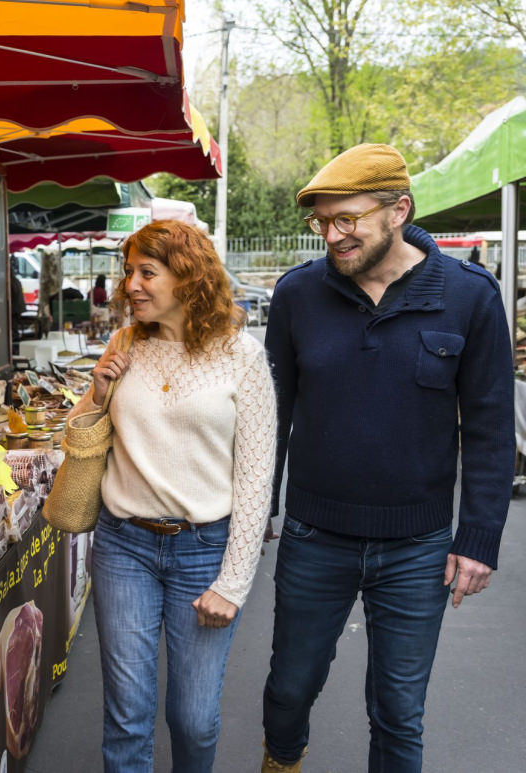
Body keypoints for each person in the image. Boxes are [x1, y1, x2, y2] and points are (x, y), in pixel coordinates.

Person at [260, 144, 514, 773]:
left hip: (417, 545)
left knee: (399, 711)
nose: (333, 235)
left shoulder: (469, 296)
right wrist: (254, 514)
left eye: (348, 218)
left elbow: (489, 427)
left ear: (398, 209)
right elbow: (270, 418)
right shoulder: (297, 295)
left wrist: (478, 538)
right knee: (289, 690)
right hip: (314, 537)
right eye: (323, 221)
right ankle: (282, 758)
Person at [72, 220, 276, 772]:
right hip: (124, 547)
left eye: (146, 272)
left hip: (204, 552)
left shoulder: (242, 357)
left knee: (194, 717)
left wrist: (232, 583)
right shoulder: (123, 344)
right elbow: (79, 438)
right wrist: (97, 389)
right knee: (127, 714)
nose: (130, 285)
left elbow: (256, 479)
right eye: (128, 271)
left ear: (187, 277)